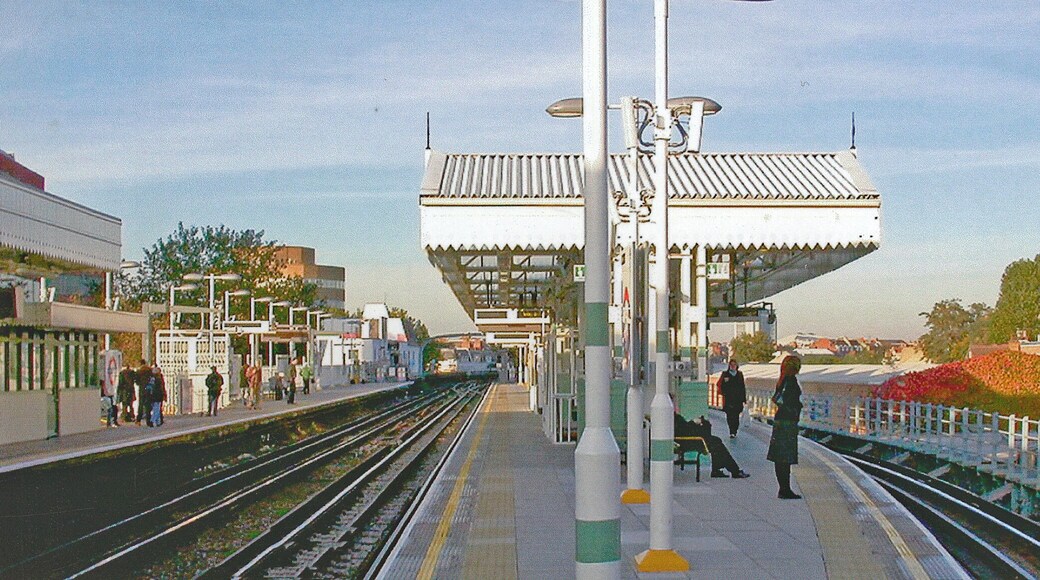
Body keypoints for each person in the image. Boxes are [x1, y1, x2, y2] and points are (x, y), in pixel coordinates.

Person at [768, 355, 804, 499]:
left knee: (779, 458)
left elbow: (776, 397)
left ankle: (783, 488)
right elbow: (782, 400)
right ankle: (785, 489)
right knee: (785, 458)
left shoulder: (782, 380)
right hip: (787, 423)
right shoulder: (791, 381)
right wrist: (795, 409)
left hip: (780, 422)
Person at [675, 413, 749, 479]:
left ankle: (721, 470)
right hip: (689, 441)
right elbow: (683, 430)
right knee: (716, 443)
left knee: (716, 442)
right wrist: (693, 422)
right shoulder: (673, 417)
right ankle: (732, 471)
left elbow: (683, 429)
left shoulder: (672, 417)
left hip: (688, 440)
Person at [719, 359, 747, 438]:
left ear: (736, 366)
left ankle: (734, 430)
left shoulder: (740, 374)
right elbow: (722, 385)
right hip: (728, 399)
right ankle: (731, 431)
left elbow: (742, 387)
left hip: (737, 400)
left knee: (736, 416)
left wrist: (744, 399)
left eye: (734, 365)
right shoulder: (725, 374)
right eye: (731, 365)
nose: (733, 366)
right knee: (729, 416)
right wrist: (725, 392)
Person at [135, 359, 152, 426]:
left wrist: (140, 384)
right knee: (148, 405)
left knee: (141, 405)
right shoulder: (149, 370)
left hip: (142, 389)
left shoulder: (139, 371)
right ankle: (148, 420)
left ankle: (138, 420)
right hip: (148, 388)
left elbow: (136, 381)